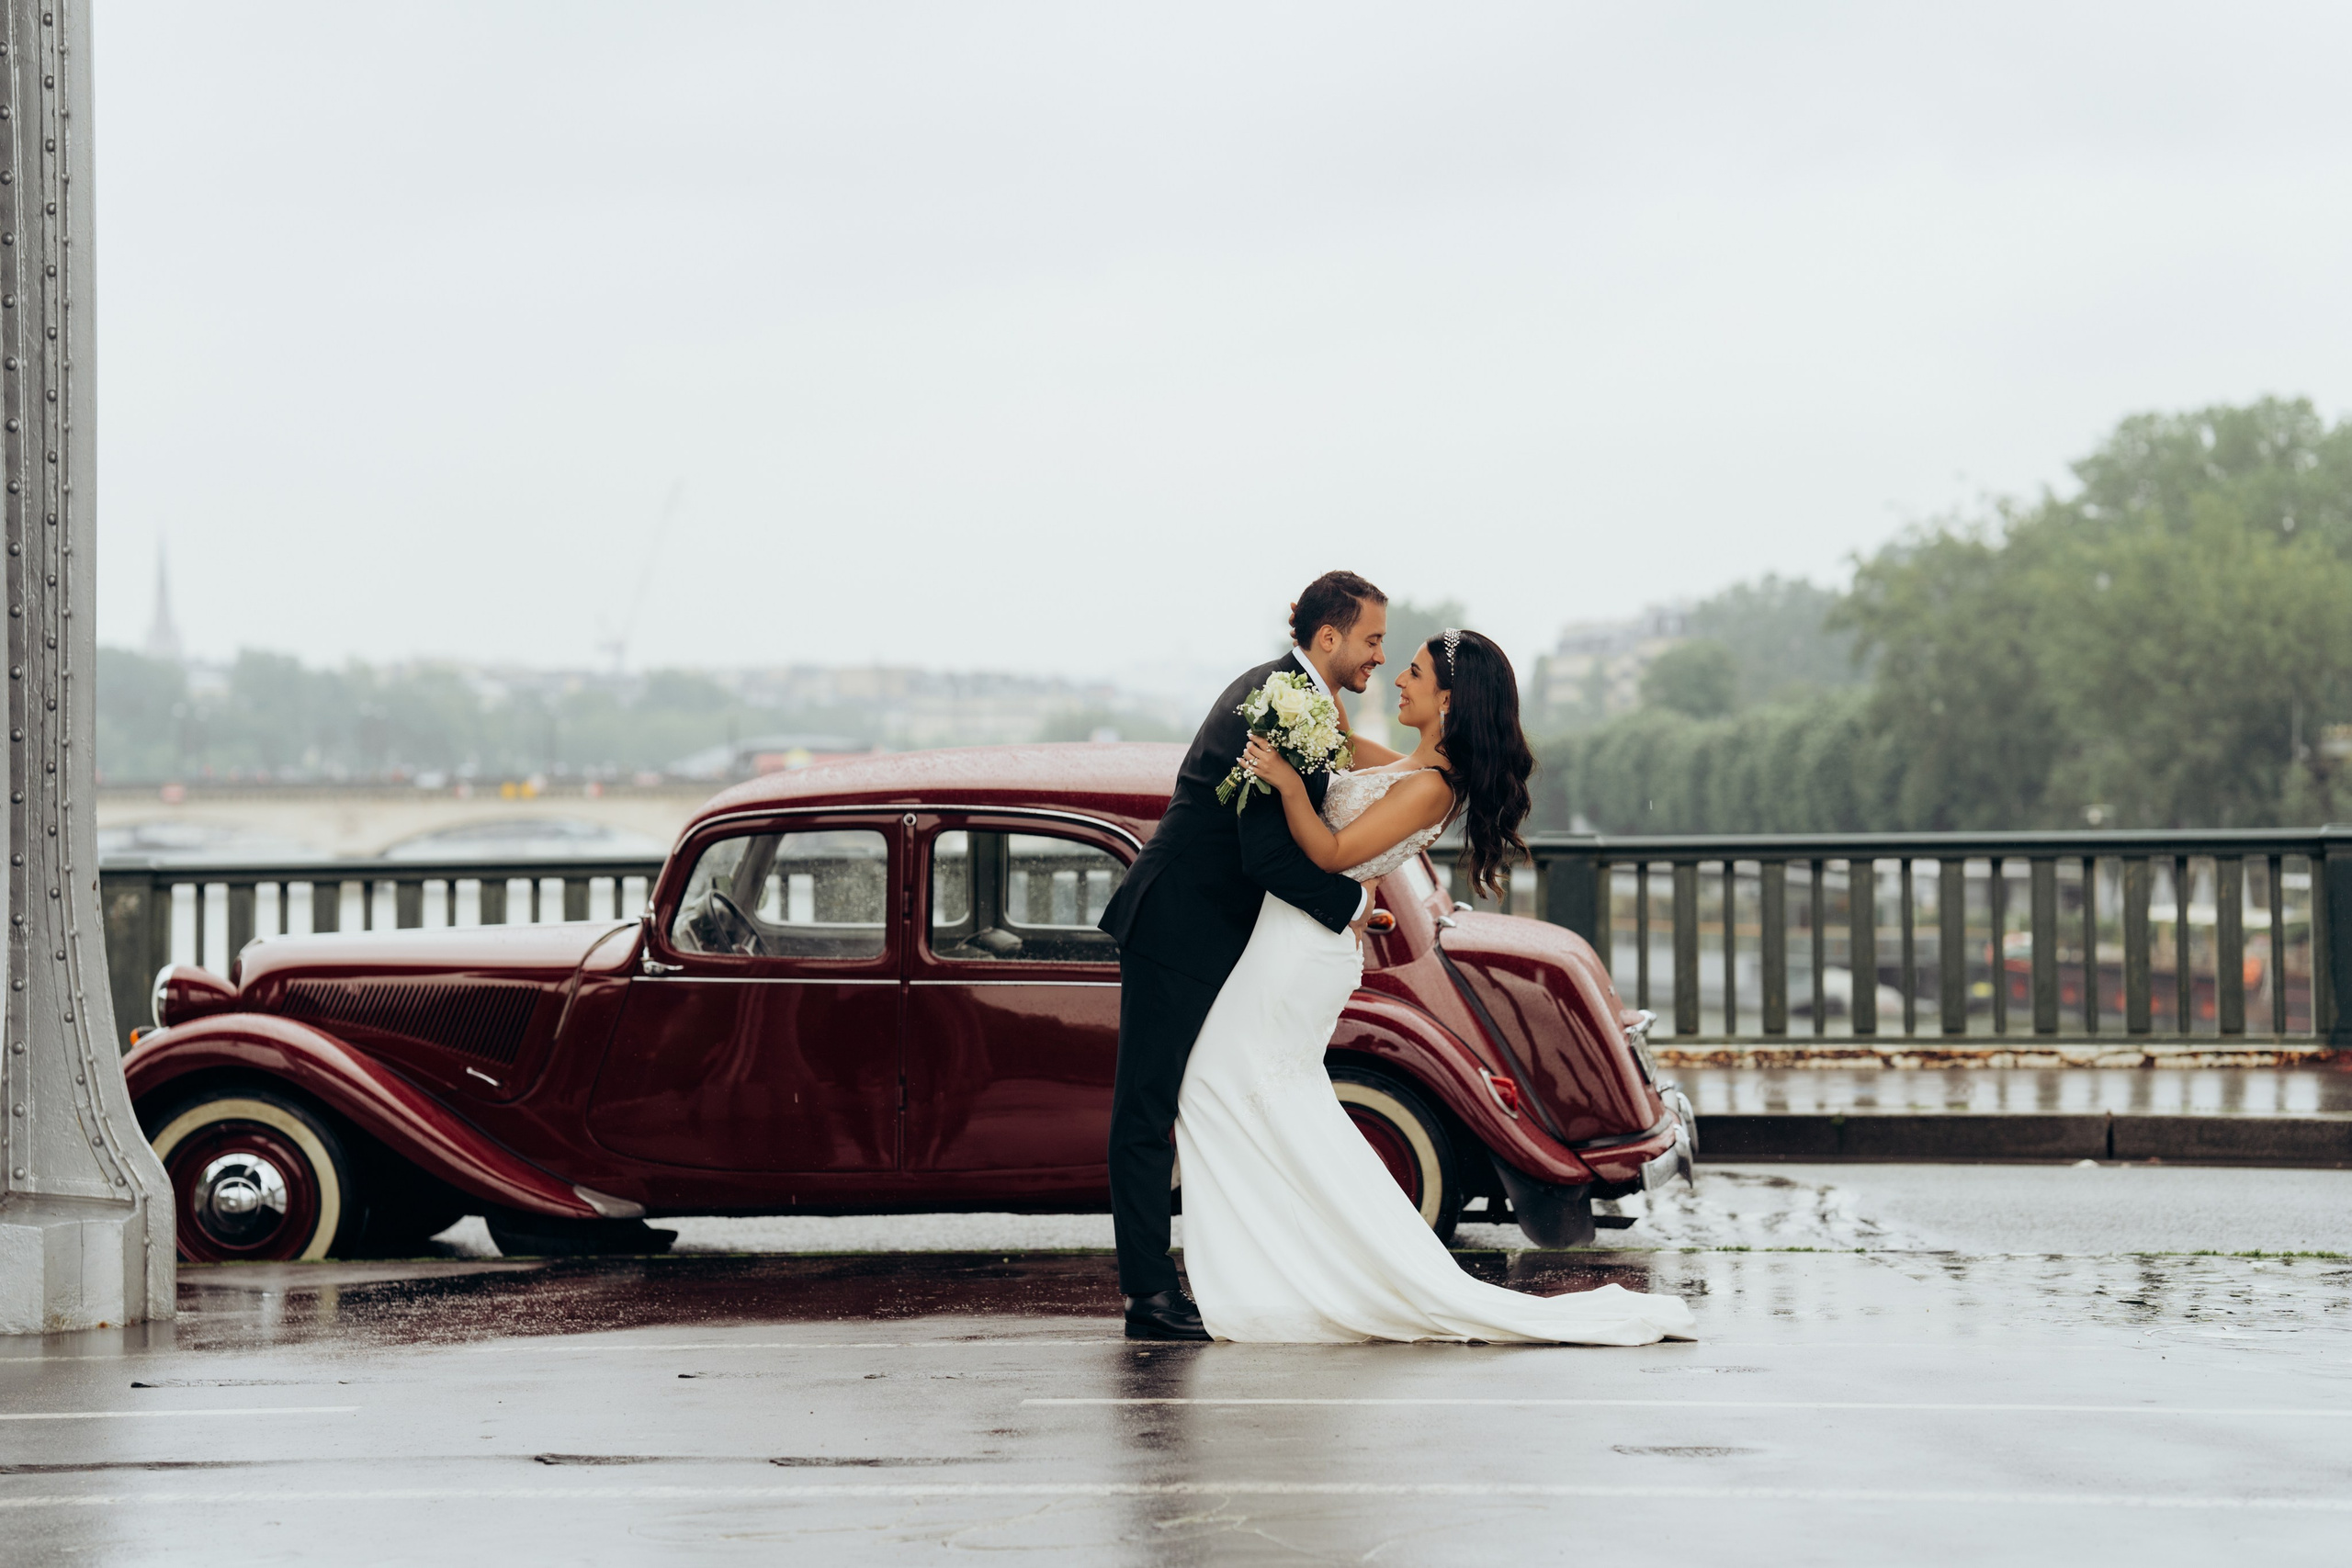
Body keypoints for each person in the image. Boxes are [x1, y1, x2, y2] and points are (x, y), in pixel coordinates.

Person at [1176, 627, 1696, 1344]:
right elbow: (1343, 746)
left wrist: (1290, 785)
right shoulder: (1414, 766)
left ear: (1448, 699)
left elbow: (1329, 852)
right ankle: (1287, 1265)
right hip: (1289, 942)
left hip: (1304, 950)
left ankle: (1286, 1270)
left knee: (1219, 1086)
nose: (1398, 680)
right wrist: (1306, 669)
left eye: (1414, 672)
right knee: (1261, 1100)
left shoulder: (1429, 788)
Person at [1098, 570, 1391, 1340]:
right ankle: (1148, 1297)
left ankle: (1207, 1273)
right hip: (1176, 923)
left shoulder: (1300, 701)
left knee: (1197, 1096)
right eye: (1370, 641)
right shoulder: (1276, 705)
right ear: (1328, 637)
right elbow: (1265, 856)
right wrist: (1353, 905)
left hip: (1215, 932)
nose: (1378, 658)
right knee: (1146, 1108)